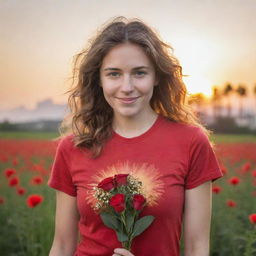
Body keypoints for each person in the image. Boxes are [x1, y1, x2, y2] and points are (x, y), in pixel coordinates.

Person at [48, 16, 223, 256]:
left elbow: (197, 247)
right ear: (98, 79)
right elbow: (62, 246)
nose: (127, 86)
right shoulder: (73, 146)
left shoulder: (191, 141)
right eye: (114, 74)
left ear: (157, 76)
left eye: (139, 73)